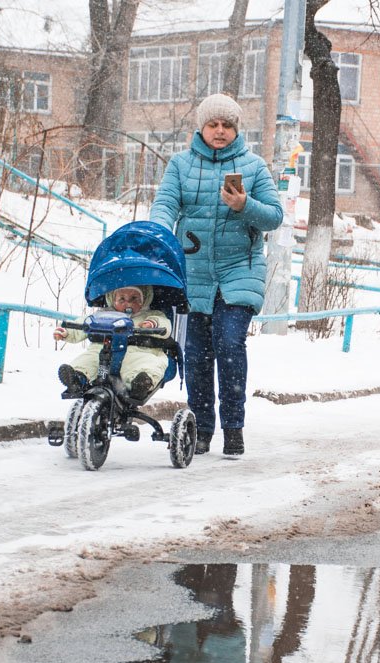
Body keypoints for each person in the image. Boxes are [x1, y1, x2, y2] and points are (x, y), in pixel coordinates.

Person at [150, 93, 283, 457]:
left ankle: (234, 427)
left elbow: (274, 215)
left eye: (227, 125)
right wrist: (159, 230)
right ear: (202, 127)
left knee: (229, 345)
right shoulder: (180, 165)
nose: (220, 131)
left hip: (239, 270)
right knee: (195, 354)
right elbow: (165, 203)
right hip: (193, 272)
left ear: (236, 129)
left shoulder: (254, 167)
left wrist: (244, 206)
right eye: (213, 124)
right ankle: (203, 428)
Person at [54, 285, 170, 404]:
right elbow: (85, 323)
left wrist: (152, 323)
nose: (128, 303)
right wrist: (67, 333)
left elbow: (165, 325)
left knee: (146, 364)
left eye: (134, 298)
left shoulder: (151, 314)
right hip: (105, 350)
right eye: (122, 299)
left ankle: (141, 384)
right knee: (89, 360)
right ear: (112, 300)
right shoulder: (105, 315)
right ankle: (77, 378)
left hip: (138, 351)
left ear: (144, 299)